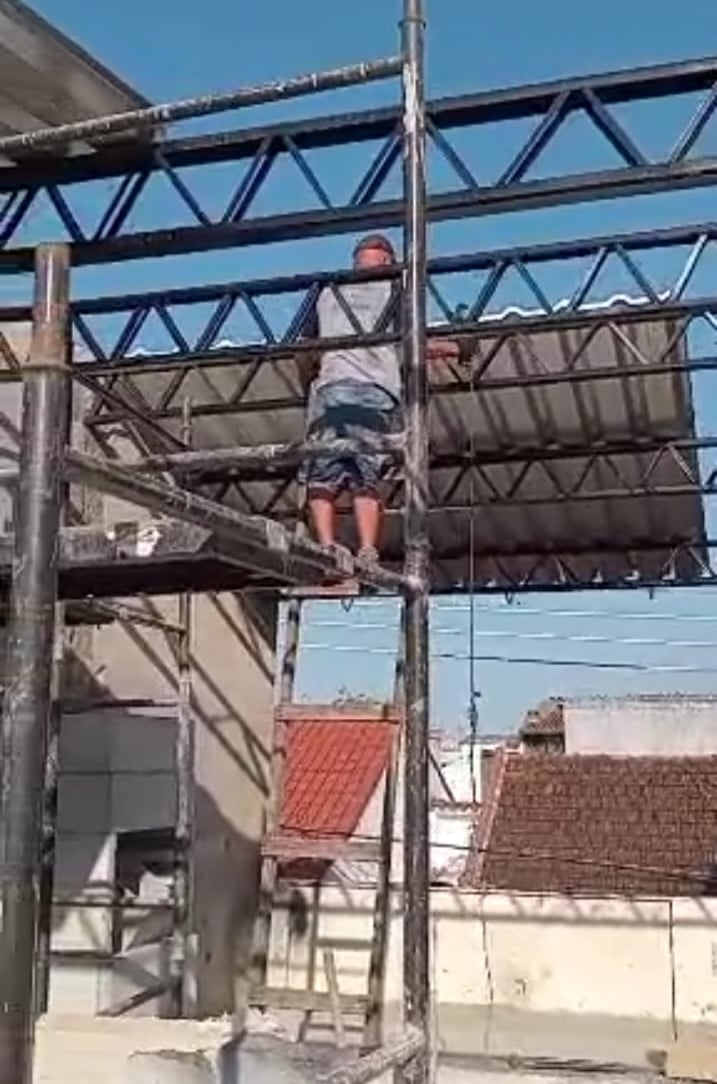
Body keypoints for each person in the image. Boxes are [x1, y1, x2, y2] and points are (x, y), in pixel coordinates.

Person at [296, 234, 461, 586]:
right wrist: (456, 347)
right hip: (375, 390)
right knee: (366, 475)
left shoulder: (327, 292)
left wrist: (311, 382)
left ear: (357, 260)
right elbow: (414, 343)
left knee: (320, 475)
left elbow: (304, 347)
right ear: (387, 260)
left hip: (330, 389)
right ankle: (368, 550)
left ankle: (325, 549)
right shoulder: (395, 291)